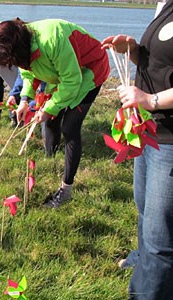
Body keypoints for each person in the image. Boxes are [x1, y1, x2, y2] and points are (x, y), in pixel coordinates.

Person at [0, 18, 110, 208]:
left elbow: (71, 81)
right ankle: (51, 160)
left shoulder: (52, 40)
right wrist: (24, 99)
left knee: (69, 127)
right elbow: (27, 73)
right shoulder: (22, 48)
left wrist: (50, 108)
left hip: (88, 71)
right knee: (49, 121)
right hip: (59, 74)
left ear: (17, 49)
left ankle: (66, 189)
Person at [101, 1, 173, 298]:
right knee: (145, 213)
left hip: (170, 139)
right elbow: (160, 64)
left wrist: (151, 100)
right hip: (151, 131)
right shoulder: (165, 4)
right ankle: (144, 264)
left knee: (161, 240)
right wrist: (132, 50)